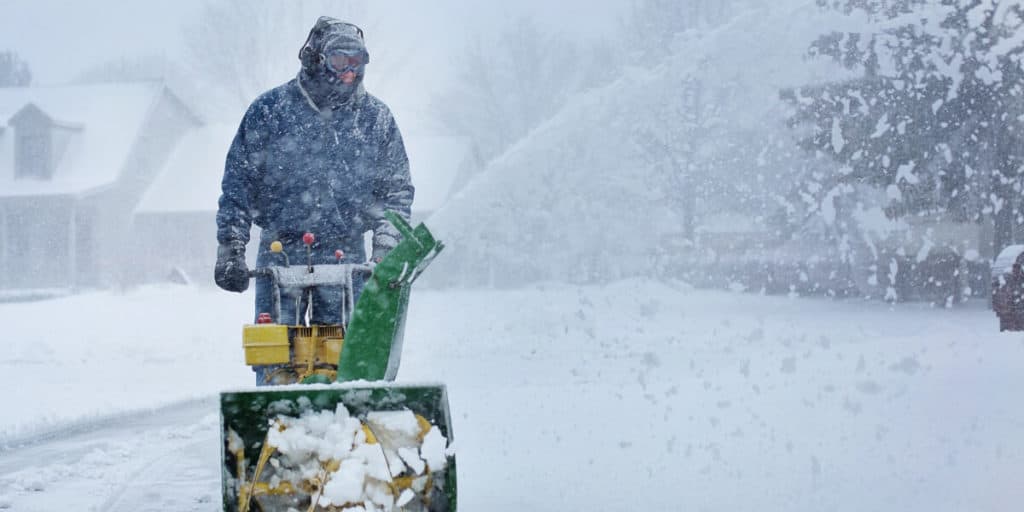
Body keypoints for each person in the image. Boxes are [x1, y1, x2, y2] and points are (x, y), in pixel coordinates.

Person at [214, 17, 413, 331]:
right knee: (276, 352)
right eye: (339, 61)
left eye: (357, 61)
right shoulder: (270, 111)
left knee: (344, 355)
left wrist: (386, 247)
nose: (349, 72)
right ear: (316, 60)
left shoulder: (375, 119)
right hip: (280, 251)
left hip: (346, 253)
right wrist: (231, 246)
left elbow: (396, 191)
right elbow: (239, 182)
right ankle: (278, 380)